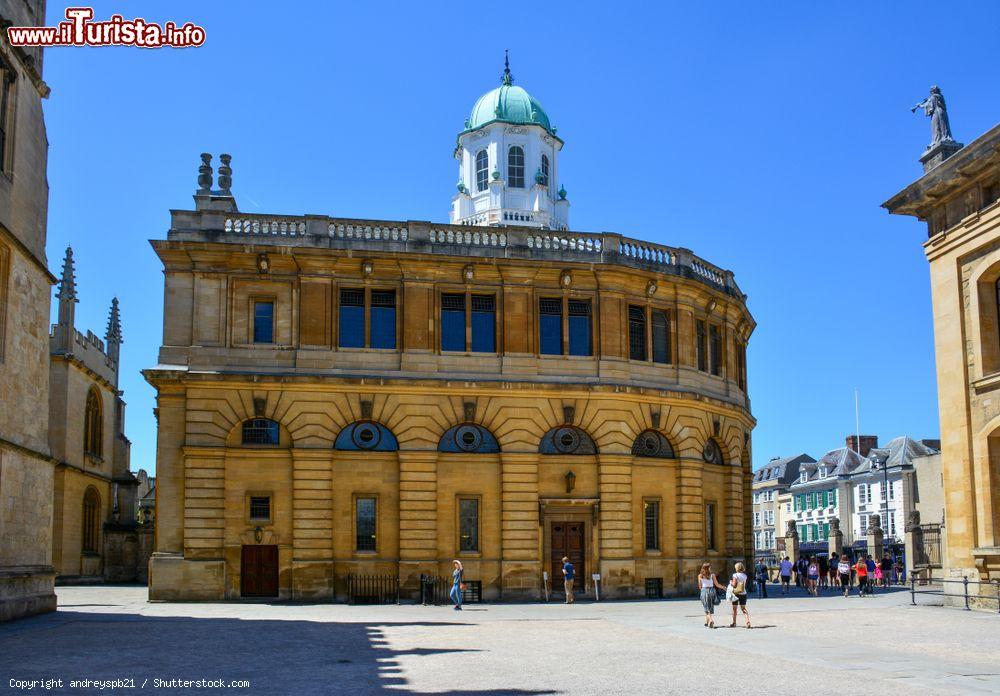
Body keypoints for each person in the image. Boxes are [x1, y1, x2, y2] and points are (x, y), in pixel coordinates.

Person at [698, 563, 727, 628]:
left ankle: (710, 620)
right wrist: (723, 588)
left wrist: (702, 591)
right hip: (712, 591)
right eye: (710, 567)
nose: (711, 568)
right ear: (708, 568)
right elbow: (717, 584)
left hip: (704, 591)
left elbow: (700, 586)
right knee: (709, 606)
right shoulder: (712, 575)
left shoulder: (700, 576)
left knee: (706, 607)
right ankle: (707, 622)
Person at [728, 562, 751, 628]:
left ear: (737, 568)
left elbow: (734, 585)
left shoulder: (735, 575)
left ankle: (734, 623)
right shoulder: (745, 575)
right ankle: (748, 621)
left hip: (736, 593)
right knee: (743, 608)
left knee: (734, 609)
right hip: (743, 593)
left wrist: (731, 582)